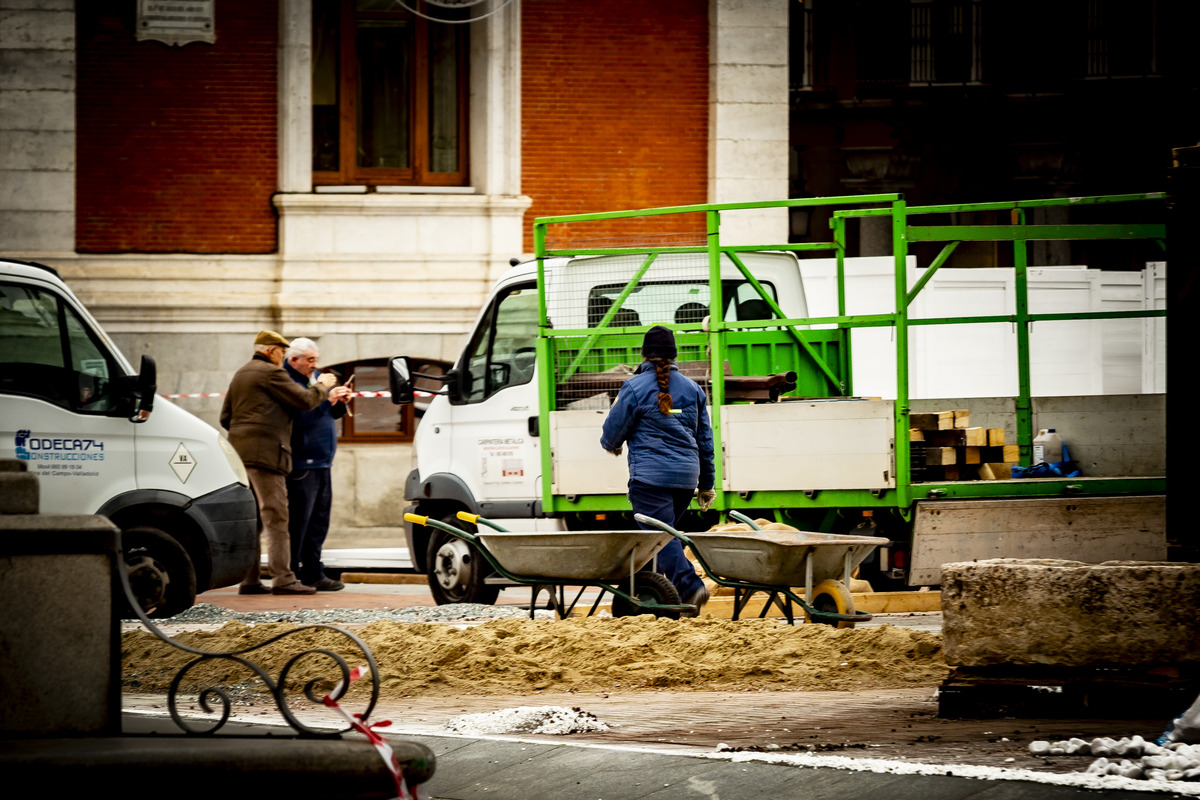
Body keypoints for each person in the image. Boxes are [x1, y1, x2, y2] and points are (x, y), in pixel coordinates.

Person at [600, 324, 715, 613]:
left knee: (660, 539)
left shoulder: (634, 387)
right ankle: (655, 597)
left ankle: (690, 587)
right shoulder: (693, 389)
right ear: (674, 354)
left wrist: (612, 444)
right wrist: (706, 485)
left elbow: (610, 435)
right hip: (685, 479)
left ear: (644, 355)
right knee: (663, 538)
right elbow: (705, 441)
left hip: (650, 479)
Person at [221, 330, 337, 595]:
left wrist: (246, 435)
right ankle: (283, 578)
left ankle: (249, 581)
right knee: (277, 517)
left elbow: (225, 416)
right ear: (272, 350)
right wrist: (324, 386)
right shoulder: (271, 373)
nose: (281, 359)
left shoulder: (242, 372)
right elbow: (306, 401)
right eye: (281, 354)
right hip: (267, 455)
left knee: (254, 521)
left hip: (241, 454)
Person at [284, 337, 352, 592]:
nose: (315, 365)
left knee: (318, 521)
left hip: (323, 461)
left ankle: (313, 570)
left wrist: (339, 402)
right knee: (299, 522)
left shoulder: (313, 380)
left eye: (316, 359)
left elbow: (327, 412)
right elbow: (302, 416)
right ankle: (293, 572)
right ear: (294, 360)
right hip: (303, 462)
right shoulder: (289, 382)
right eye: (310, 360)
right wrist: (326, 397)